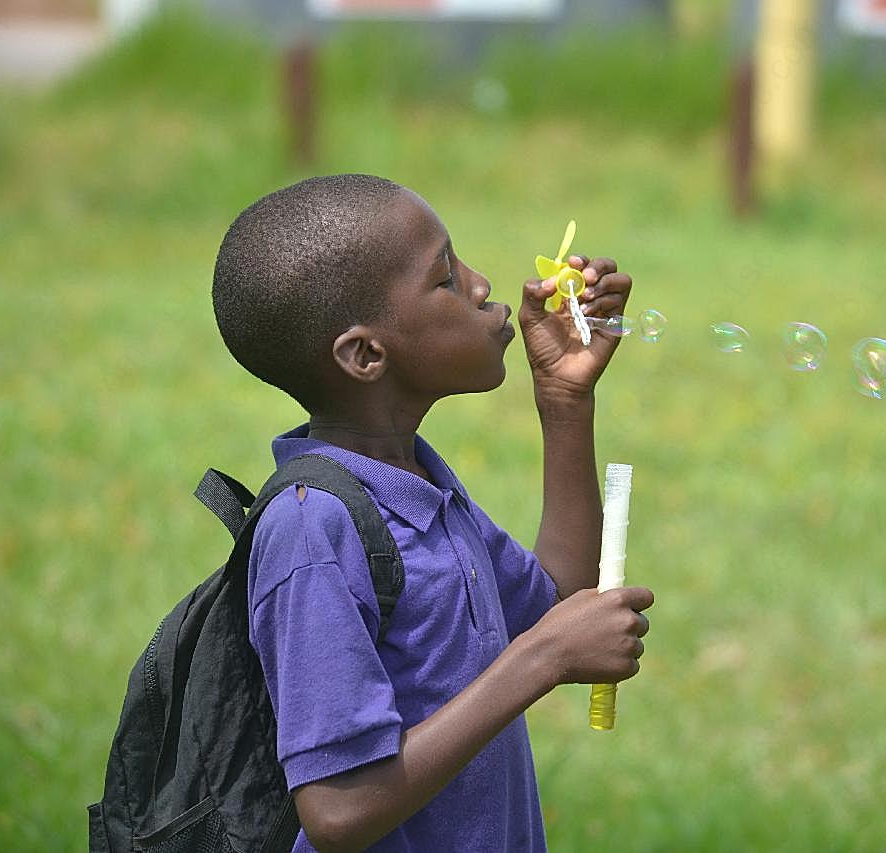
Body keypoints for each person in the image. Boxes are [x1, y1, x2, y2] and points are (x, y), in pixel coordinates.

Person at [211, 173, 654, 852]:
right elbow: (336, 808)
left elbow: (556, 600)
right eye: (445, 278)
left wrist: (565, 402)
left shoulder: (418, 484)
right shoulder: (312, 528)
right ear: (365, 354)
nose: (481, 285)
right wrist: (539, 659)